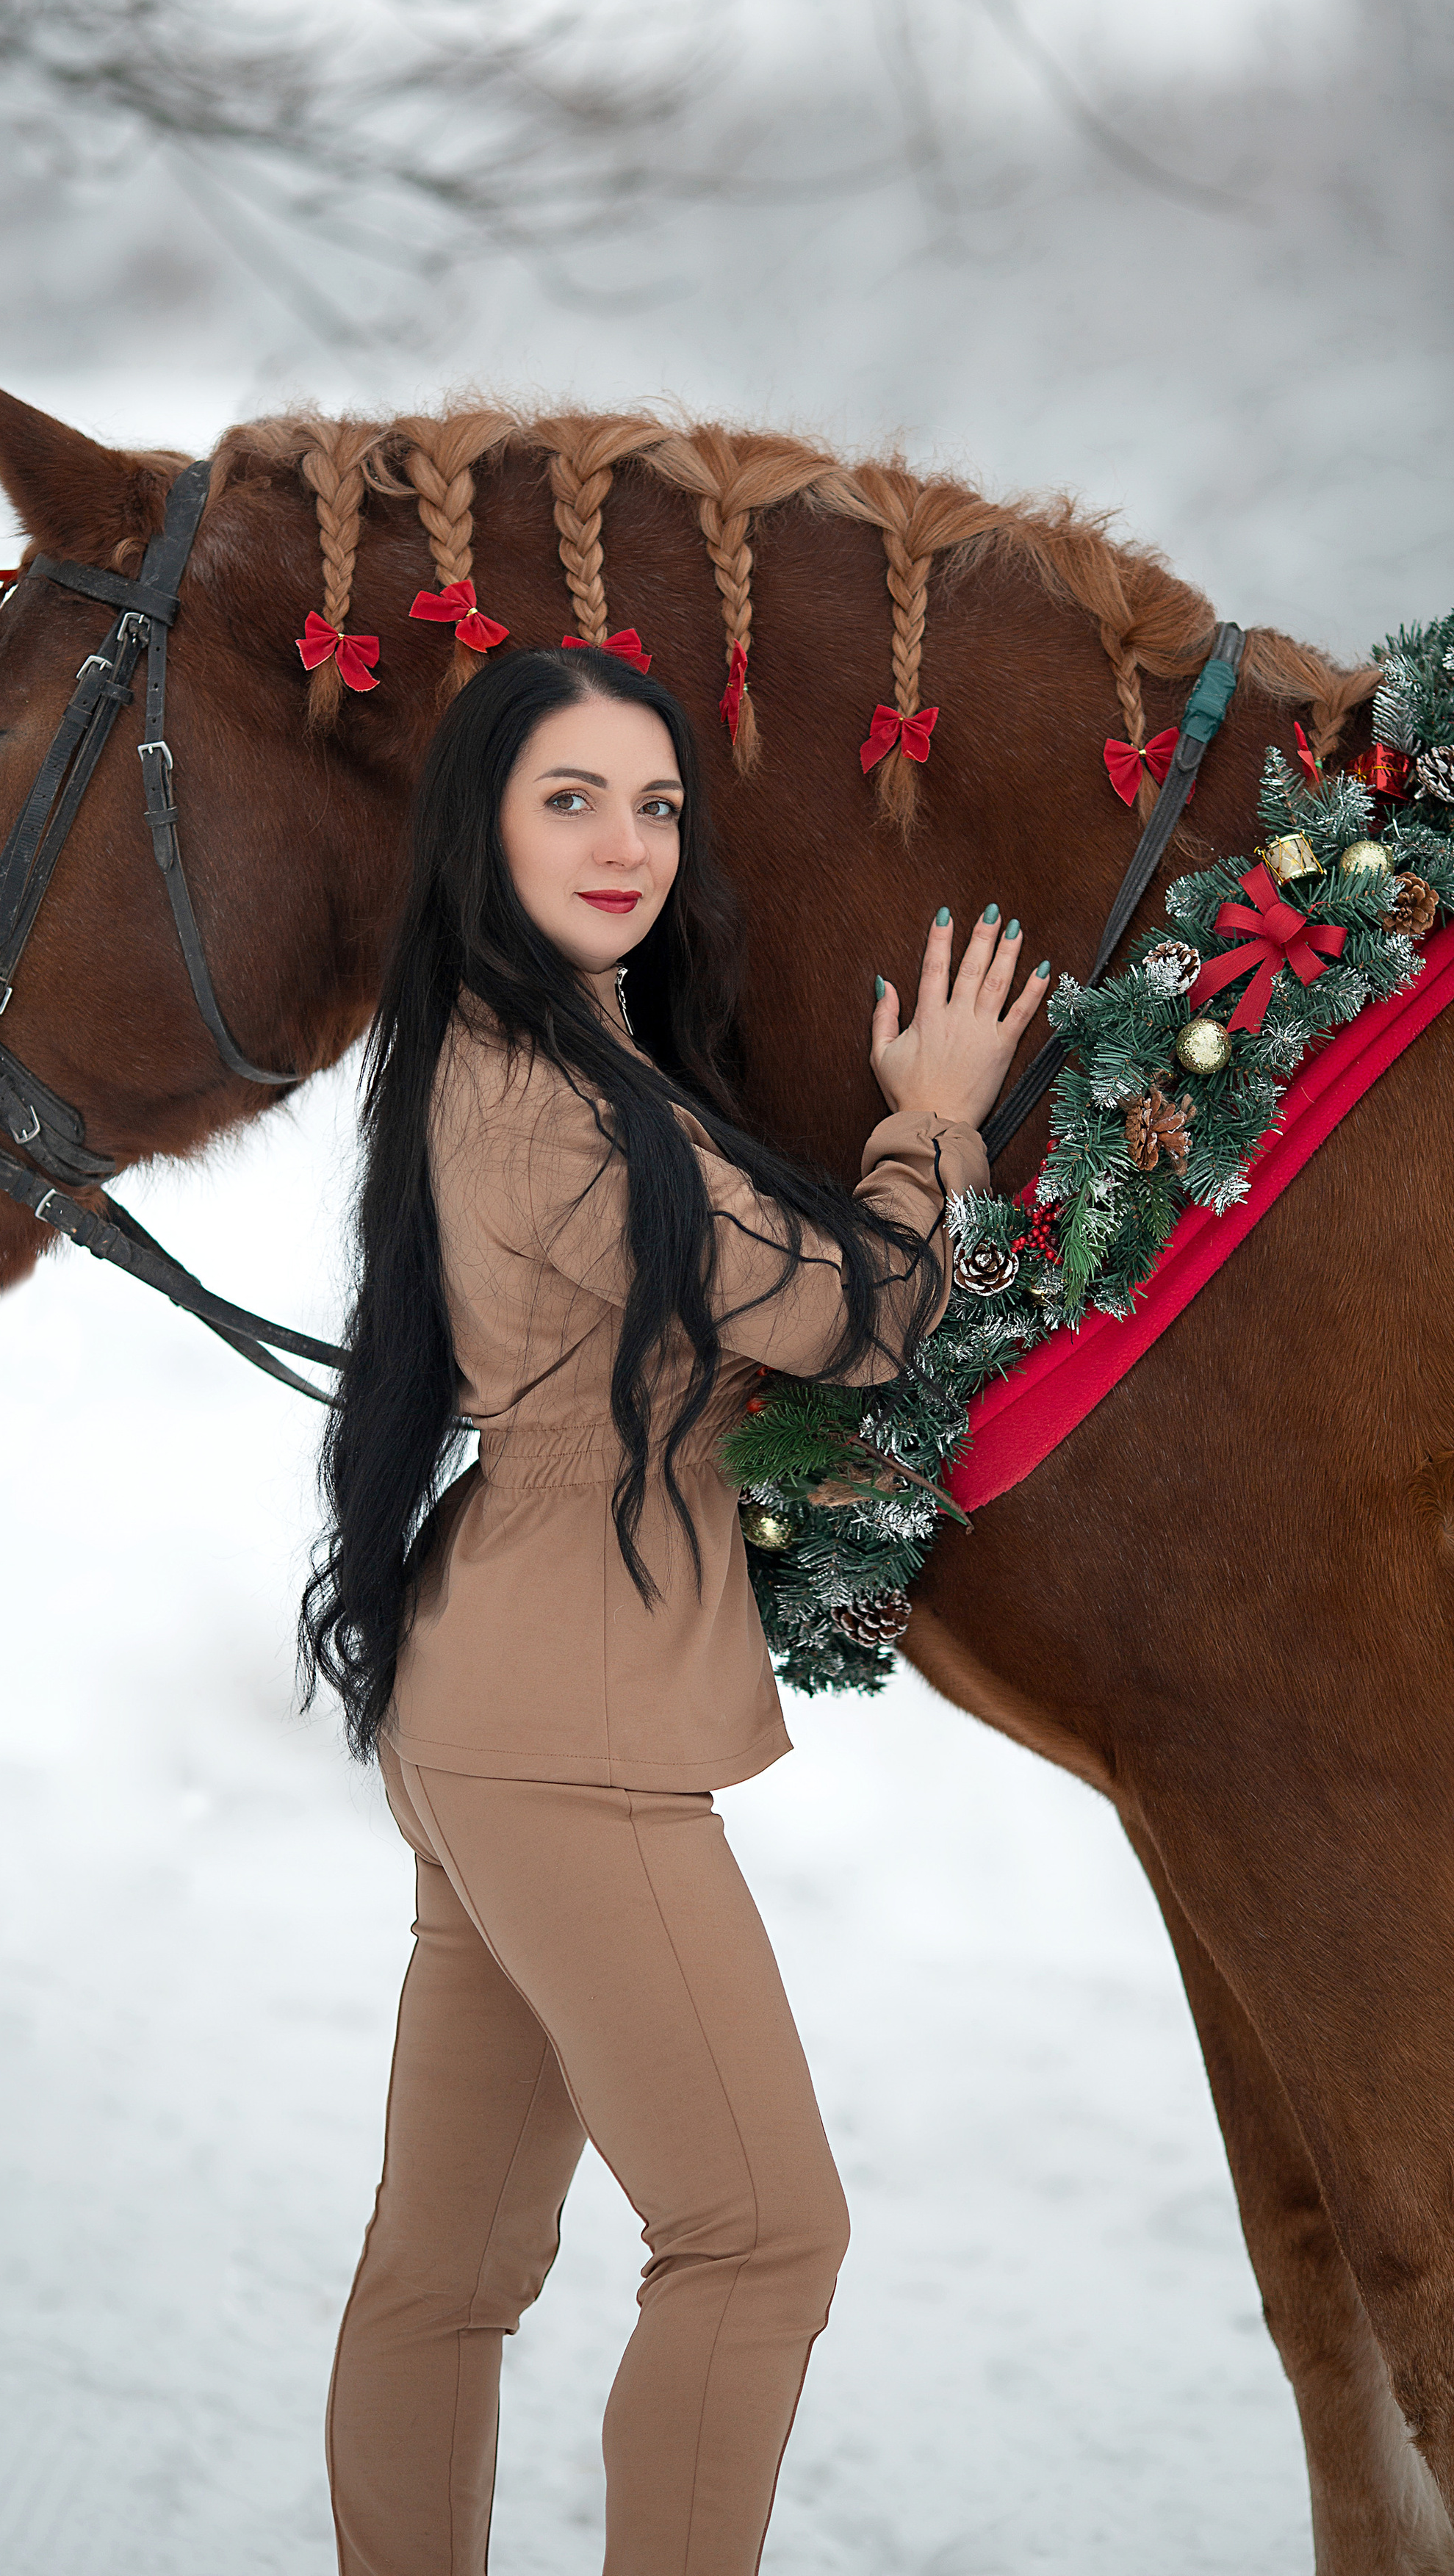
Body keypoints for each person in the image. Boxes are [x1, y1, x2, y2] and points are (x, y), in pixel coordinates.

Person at [300, 642, 1049, 2575]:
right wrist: (934, 1116)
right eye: (572, 798)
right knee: (760, 2233)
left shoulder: (517, 1049)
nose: (627, 839)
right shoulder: (565, 1117)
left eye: (655, 801)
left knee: (446, 2271)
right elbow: (859, 1313)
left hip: (498, 1702)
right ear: (487, 821)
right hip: (570, 1732)